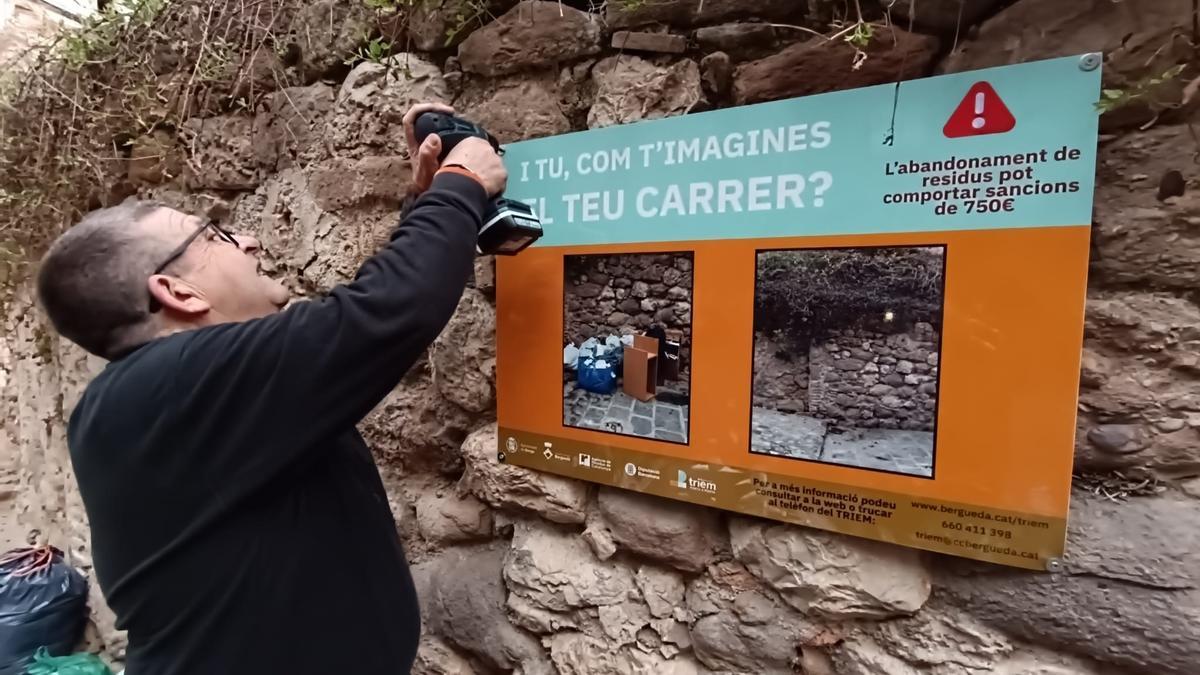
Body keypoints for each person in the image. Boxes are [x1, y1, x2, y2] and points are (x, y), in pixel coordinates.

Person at [33, 102, 508, 675]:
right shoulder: (174, 385)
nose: (250, 239)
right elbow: (383, 314)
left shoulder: (159, 396)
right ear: (176, 292)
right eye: (215, 235)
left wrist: (428, 203)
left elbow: (362, 323)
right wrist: (461, 186)